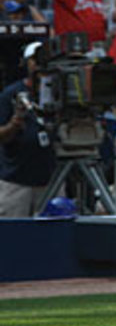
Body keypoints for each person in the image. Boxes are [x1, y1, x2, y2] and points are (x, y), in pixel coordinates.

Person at [0, 43, 56, 218]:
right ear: (27, 63)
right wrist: (15, 123)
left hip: (50, 179)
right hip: (17, 180)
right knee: (12, 236)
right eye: (35, 60)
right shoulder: (11, 94)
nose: (40, 65)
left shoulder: (58, 91)